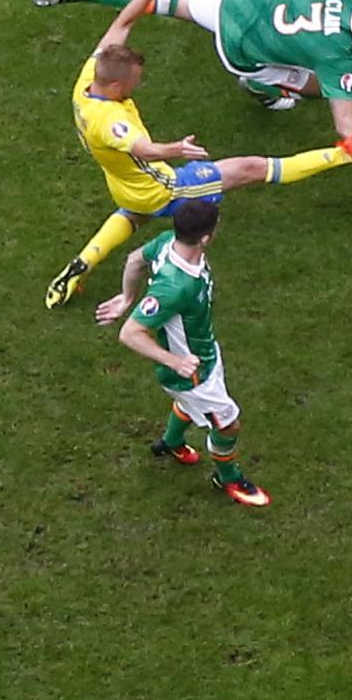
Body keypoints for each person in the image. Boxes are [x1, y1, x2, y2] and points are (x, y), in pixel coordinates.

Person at [44, 0, 352, 310]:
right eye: (136, 80)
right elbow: (144, 149)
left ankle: (80, 265)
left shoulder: (89, 78)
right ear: (117, 86)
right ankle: (345, 153)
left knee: (133, 213)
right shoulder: (111, 122)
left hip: (125, 183)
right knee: (251, 168)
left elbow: (124, 21)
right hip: (163, 186)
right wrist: (177, 149)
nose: (140, 82)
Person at [33, 0, 352, 198]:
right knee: (311, 89)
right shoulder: (338, 59)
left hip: (239, 2)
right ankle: (261, 87)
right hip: (243, 51)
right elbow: (346, 129)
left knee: (170, 2)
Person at [97, 199, 270, 508]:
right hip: (191, 374)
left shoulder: (168, 242)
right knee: (228, 423)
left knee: (190, 406)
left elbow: (135, 259)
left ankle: (171, 442)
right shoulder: (175, 286)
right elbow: (130, 333)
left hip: (204, 353)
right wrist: (175, 362)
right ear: (205, 237)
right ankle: (228, 478)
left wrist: (127, 297)